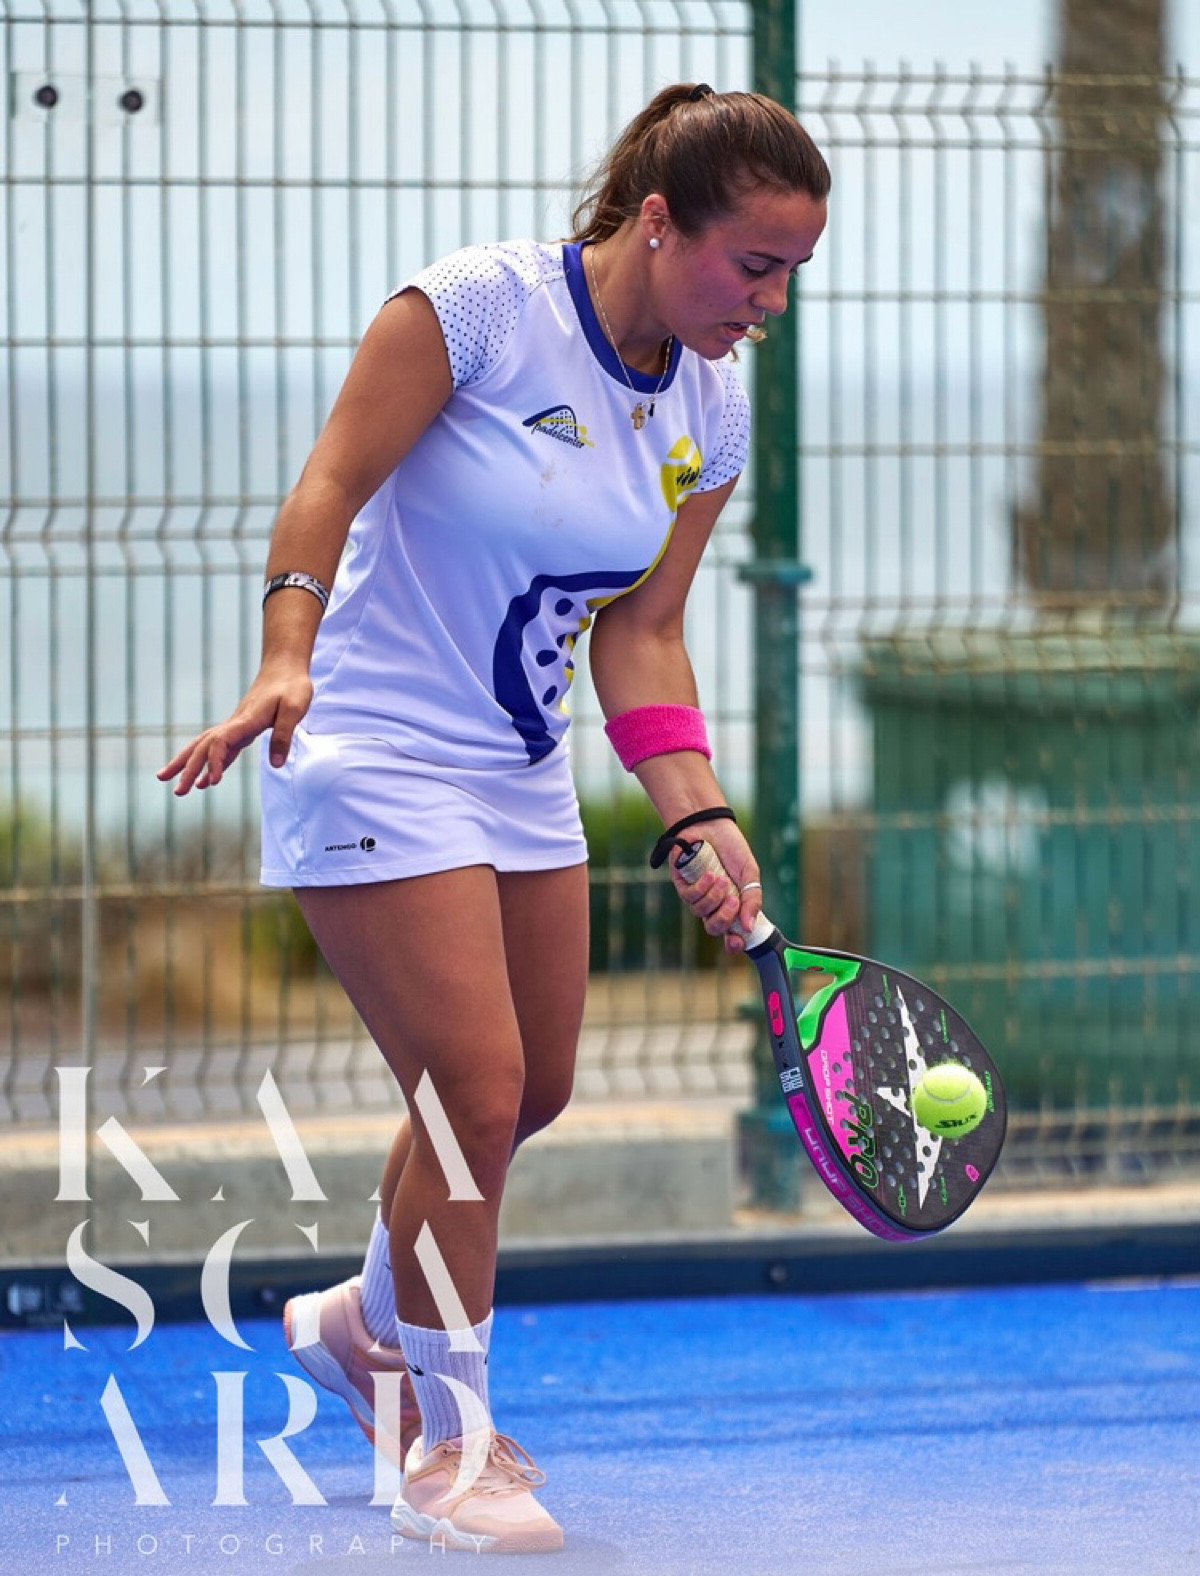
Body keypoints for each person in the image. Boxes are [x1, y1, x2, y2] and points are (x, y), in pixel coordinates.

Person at [159, 81, 829, 1555]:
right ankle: (451, 1446)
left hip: (520, 773)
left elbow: (643, 633)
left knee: (531, 1094)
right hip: (372, 746)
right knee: (472, 1087)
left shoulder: (711, 408)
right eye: (754, 265)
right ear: (659, 224)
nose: (771, 303)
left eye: (792, 273)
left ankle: (362, 1324)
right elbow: (330, 483)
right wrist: (283, 655)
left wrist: (697, 813)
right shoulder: (478, 309)